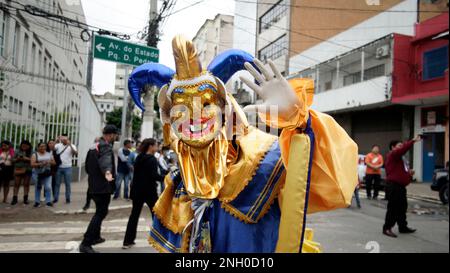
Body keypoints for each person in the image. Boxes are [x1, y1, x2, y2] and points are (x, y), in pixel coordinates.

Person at [127, 35, 358, 253]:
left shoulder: (265, 159)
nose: (194, 116)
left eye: (206, 103)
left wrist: (299, 121)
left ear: (225, 108)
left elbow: (333, 185)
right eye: (181, 107)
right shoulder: (179, 182)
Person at [79, 125, 118, 253]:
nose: (115, 138)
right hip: (102, 186)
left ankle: (96, 237)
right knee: (101, 212)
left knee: (101, 211)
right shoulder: (105, 146)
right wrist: (109, 176)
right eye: (115, 135)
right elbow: (106, 164)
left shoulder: (94, 146)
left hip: (93, 185)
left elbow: (87, 168)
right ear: (111, 135)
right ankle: (86, 242)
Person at [122, 138, 164, 249]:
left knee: (134, 216)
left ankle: (127, 241)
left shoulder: (139, 157)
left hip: (137, 191)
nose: (157, 147)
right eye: (156, 145)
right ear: (150, 147)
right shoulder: (152, 159)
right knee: (156, 215)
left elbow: (136, 174)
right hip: (149, 191)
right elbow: (154, 176)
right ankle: (161, 239)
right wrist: (167, 178)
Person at [383, 135, 422, 238]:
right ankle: (387, 228)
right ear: (393, 147)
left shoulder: (401, 160)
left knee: (402, 207)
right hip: (393, 186)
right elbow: (402, 150)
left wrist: (409, 174)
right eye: (399, 145)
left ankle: (402, 227)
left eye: (402, 145)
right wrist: (412, 141)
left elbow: (401, 173)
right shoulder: (393, 155)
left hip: (400, 187)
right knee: (393, 208)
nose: (402, 147)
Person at [53, 134, 78, 204]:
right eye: (63, 139)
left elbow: (76, 153)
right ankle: (55, 198)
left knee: (68, 184)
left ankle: (68, 198)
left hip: (68, 167)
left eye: (65, 139)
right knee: (57, 184)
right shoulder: (58, 145)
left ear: (68, 139)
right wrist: (56, 141)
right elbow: (52, 148)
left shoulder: (72, 146)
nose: (64, 140)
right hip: (59, 167)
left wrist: (70, 145)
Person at [31, 142, 56, 208]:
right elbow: (32, 164)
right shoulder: (35, 155)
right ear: (38, 147)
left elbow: (54, 163)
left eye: (44, 146)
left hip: (47, 173)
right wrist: (40, 164)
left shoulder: (49, 154)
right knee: (38, 187)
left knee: (48, 187)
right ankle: (37, 202)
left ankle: (48, 201)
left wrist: (49, 162)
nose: (43, 148)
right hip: (37, 173)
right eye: (41, 146)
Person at [11, 140, 33, 205]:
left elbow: (33, 160)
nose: (24, 147)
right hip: (18, 169)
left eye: (26, 146)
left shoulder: (32, 152)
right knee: (16, 184)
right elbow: (12, 160)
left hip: (28, 170)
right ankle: (14, 198)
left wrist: (26, 158)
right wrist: (17, 159)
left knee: (26, 184)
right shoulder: (17, 151)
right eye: (23, 146)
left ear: (29, 146)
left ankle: (25, 199)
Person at [82, 137, 100, 212]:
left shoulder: (103, 150)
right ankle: (87, 203)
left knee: (99, 190)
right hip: (93, 174)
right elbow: (87, 161)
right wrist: (88, 171)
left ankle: (98, 205)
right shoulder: (91, 150)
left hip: (100, 174)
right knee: (90, 189)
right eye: (96, 141)